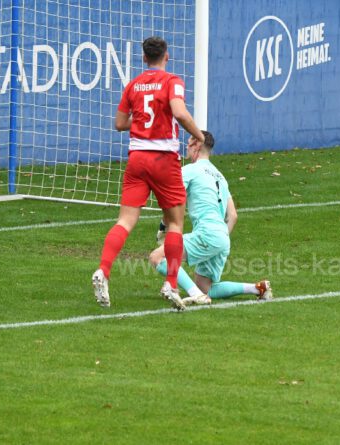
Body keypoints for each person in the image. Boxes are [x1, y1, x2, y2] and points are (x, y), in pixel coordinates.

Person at [92, 36, 205, 310]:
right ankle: (171, 284)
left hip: (137, 159)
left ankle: (103, 270)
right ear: (167, 56)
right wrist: (199, 135)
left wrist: (142, 118)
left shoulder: (133, 85)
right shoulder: (172, 81)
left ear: (144, 58)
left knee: (125, 220)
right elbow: (179, 112)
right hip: (163, 159)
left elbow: (120, 123)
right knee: (175, 223)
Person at [148, 131, 272, 305]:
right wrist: (221, 238)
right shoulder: (220, 176)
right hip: (222, 237)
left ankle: (195, 295)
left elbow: (174, 203)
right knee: (205, 287)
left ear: (197, 145)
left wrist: (163, 226)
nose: (186, 147)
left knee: (157, 257)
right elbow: (233, 216)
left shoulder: (189, 170)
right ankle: (256, 288)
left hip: (207, 233)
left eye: (189, 143)